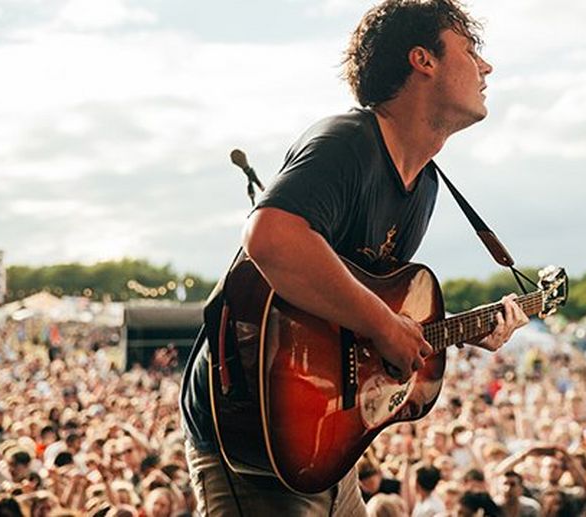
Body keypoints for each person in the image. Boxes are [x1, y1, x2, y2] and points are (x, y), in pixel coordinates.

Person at [179, 0, 529, 514]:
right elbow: (272, 237)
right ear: (422, 60)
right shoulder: (348, 142)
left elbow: (359, 315)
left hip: (323, 442)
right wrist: (386, 325)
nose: (486, 66)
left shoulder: (424, 184)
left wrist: (453, 331)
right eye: (471, 49)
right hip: (252, 432)